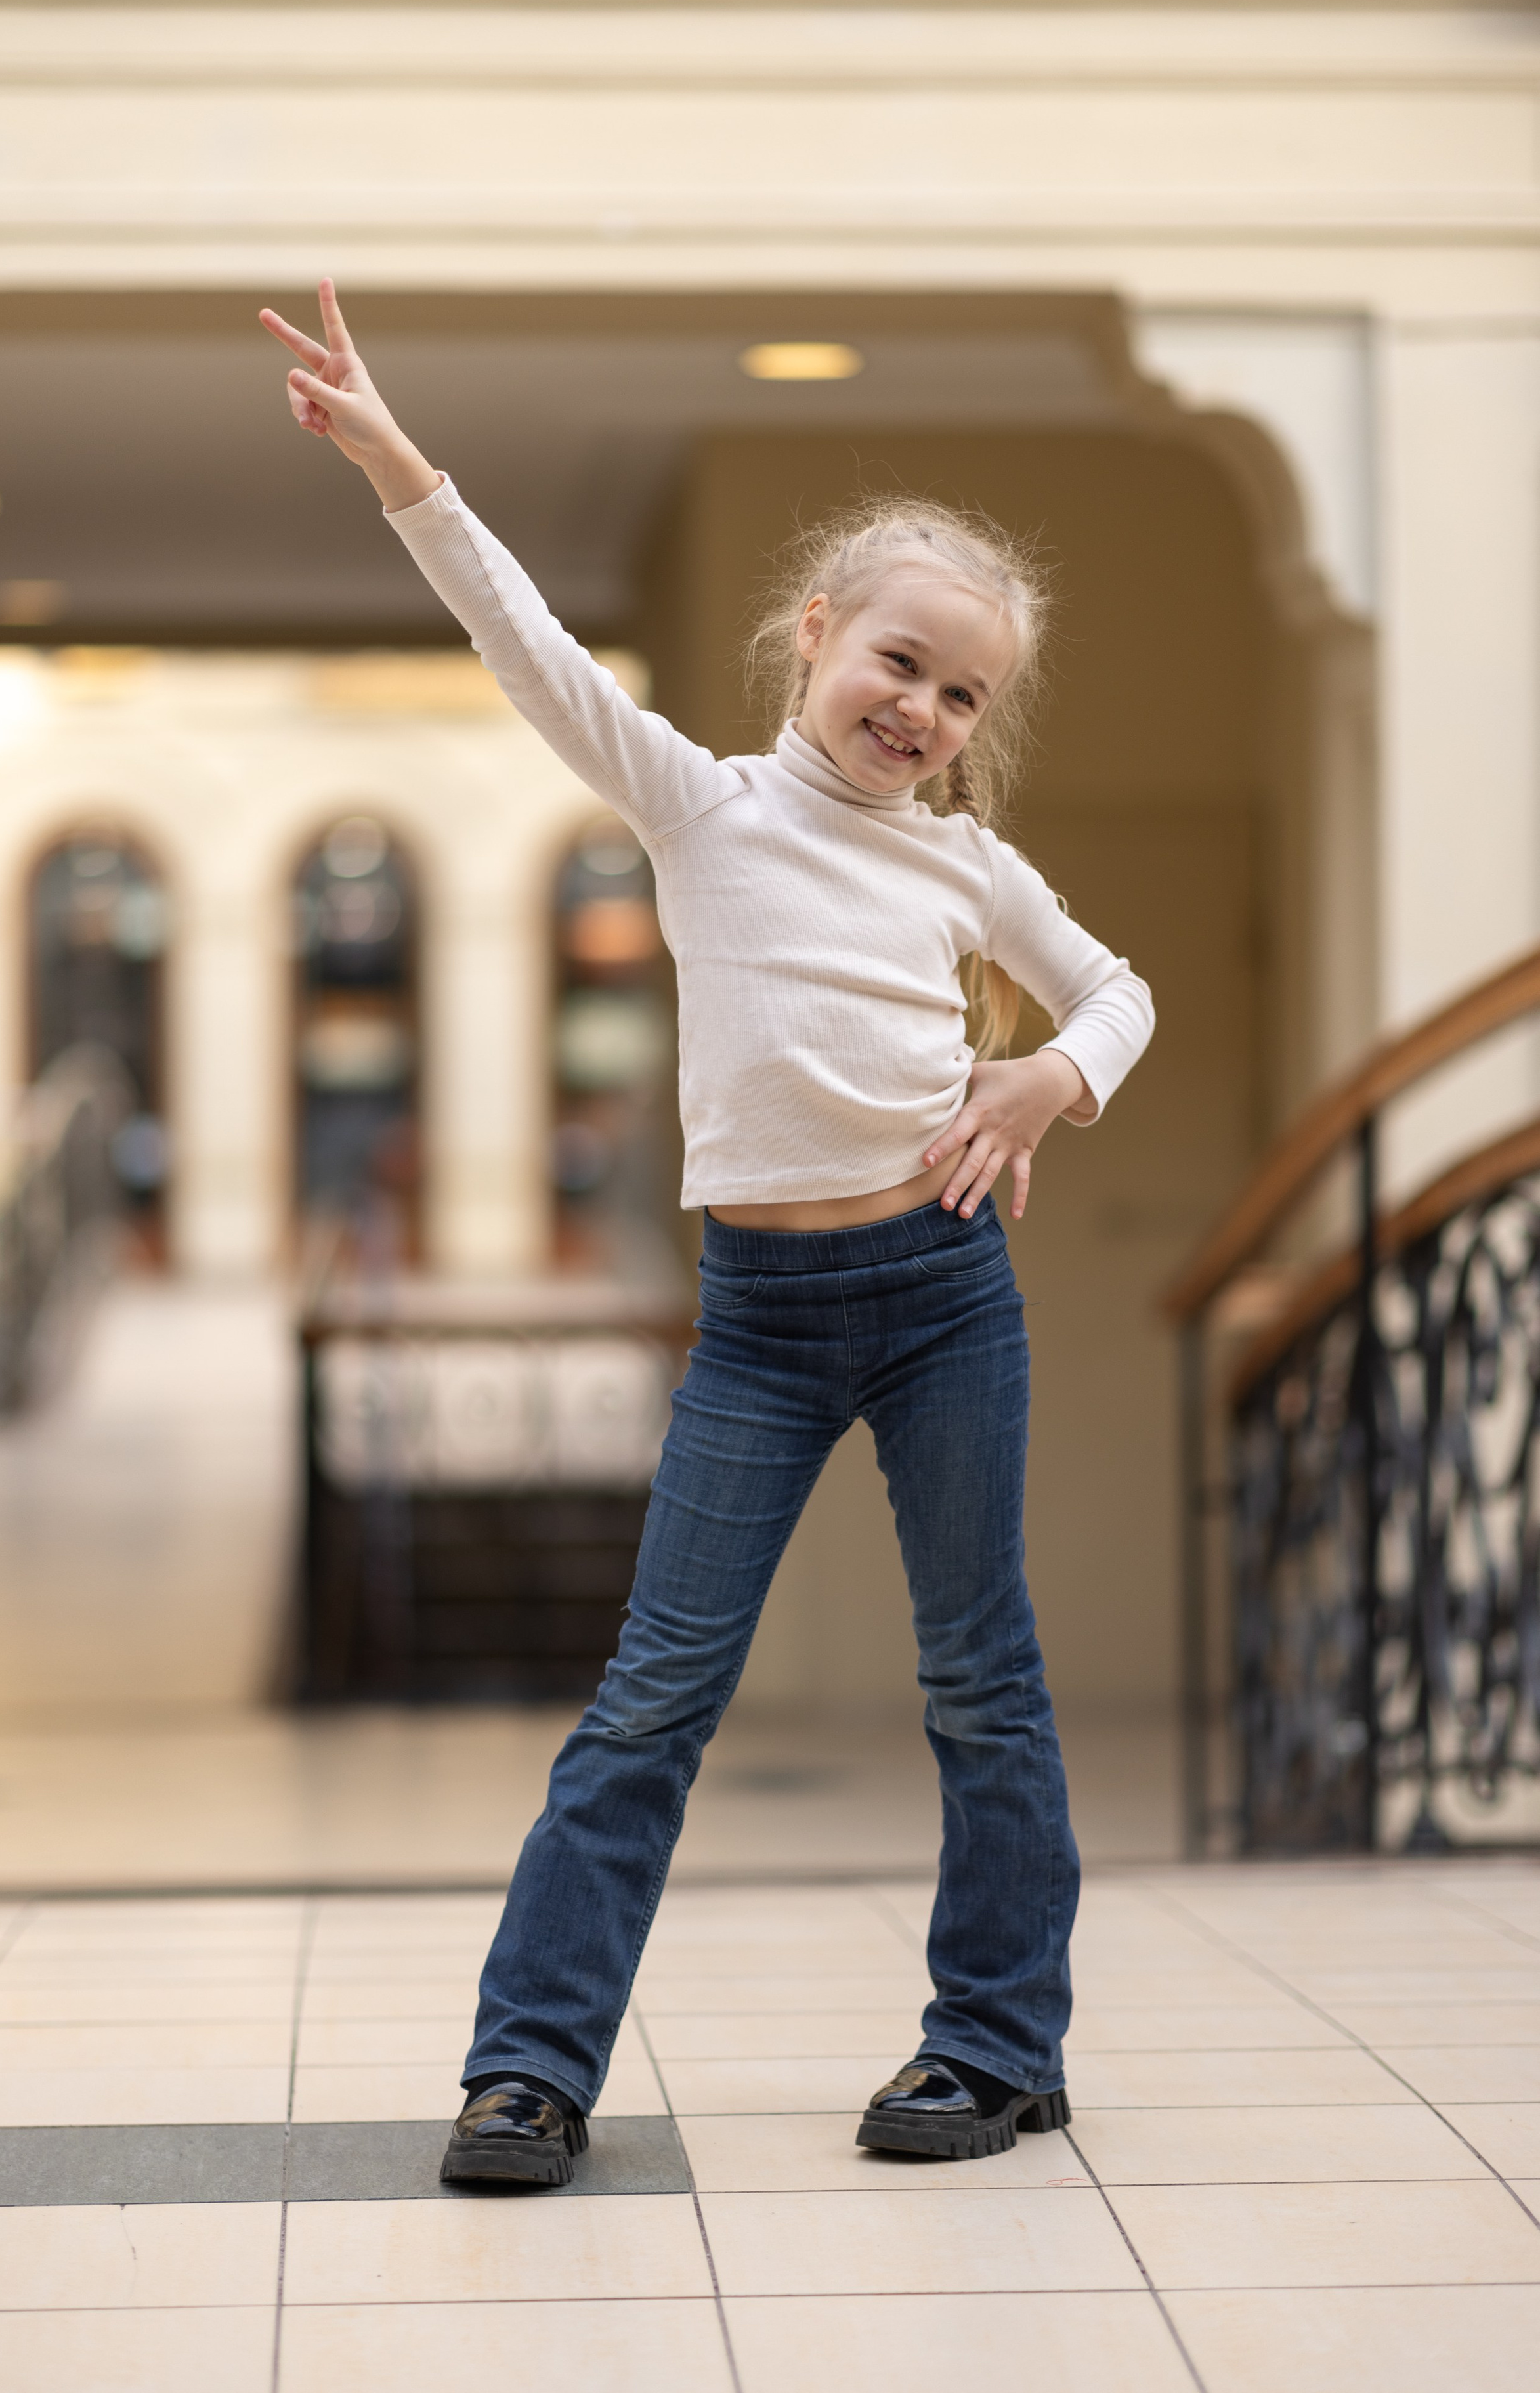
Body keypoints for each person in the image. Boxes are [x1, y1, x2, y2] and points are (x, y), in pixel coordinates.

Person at [262, 282, 1155, 2186]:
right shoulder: (703, 806)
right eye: (899, 662)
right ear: (817, 635)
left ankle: (1000, 2049)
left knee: (980, 1676)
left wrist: (1039, 1085)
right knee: (656, 1689)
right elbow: (526, 646)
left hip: (938, 1299)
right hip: (760, 1316)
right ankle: (531, 2071)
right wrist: (399, 462)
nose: (921, 711)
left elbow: (1119, 996)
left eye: (963, 694)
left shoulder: (969, 865)